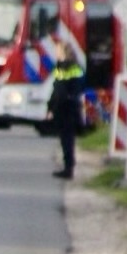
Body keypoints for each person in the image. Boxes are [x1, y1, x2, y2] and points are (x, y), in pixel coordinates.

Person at [46, 41, 85, 179]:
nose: (55, 53)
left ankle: (69, 169)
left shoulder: (71, 68)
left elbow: (65, 90)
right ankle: (67, 167)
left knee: (67, 140)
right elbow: (56, 90)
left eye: (57, 50)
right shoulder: (60, 67)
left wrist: (54, 107)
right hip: (62, 107)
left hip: (68, 108)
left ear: (63, 52)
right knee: (65, 139)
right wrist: (50, 107)